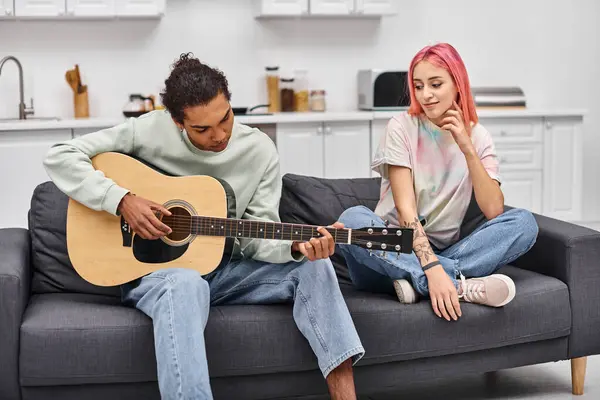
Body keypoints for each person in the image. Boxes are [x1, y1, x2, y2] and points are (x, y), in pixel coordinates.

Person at [43, 53, 364, 400]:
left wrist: (295, 247)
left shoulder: (258, 150)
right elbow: (59, 155)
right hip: (160, 273)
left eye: (225, 119)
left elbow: (257, 235)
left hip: (227, 272)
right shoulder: (148, 129)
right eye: (202, 129)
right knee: (185, 283)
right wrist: (121, 200)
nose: (220, 135)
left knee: (315, 268)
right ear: (178, 122)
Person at [336, 43, 539, 322]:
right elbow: (405, 210)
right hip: (391, 249)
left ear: (458, 84)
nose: (425, 95)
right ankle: (457, 285)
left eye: (435, 84)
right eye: (418, 86)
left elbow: (494, 211)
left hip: (446, 250)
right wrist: (432, 269)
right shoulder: (401, 127)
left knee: (524, 223)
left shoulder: (479, 138)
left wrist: (467, 147)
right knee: (351, 220)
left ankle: (414, 285)